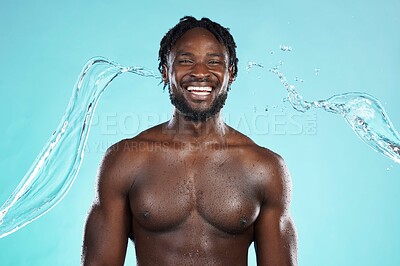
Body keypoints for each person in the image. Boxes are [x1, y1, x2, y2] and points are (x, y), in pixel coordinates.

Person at [82, 16, 297, 265]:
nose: (200, 72)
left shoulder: (265, 168)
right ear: (165, 71)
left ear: (231, 73)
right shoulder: (125, 160)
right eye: (185, 61)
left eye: (214, 62)